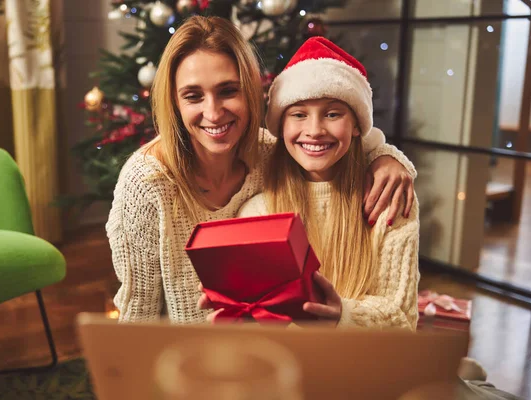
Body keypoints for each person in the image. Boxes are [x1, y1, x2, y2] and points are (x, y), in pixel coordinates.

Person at [107, 16, 417, 324]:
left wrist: (386, 156)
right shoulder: (146, 183)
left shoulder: (270, 153)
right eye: (193, 96)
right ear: (174, 102)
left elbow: (328, 146)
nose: (213, 113)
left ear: (251, 92)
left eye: (228, 90)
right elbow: (138, 316)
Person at [200, 36, 419, 329]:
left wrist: (343, 317)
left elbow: (401, 318)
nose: (314, 131)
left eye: (332, 113)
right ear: (281, 126)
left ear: (357, 126)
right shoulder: (259, 211)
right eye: (299, 115)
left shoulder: (388, 198)